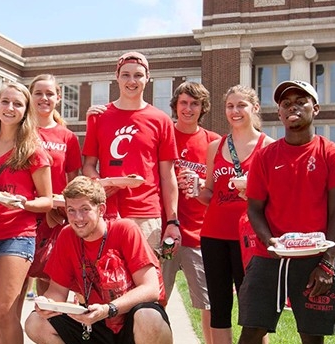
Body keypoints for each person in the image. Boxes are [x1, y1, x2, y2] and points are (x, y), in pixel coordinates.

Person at [239, 80, 335, 344]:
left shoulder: (333, 155)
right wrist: (270, 241)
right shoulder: (265, 157)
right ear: (279, 113)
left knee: (312, 337)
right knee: (251, 332)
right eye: (286, 103)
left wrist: (327, 264)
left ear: (315, 109)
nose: (293, 107)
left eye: (301, 102)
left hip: (316, 259)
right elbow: (254, 209)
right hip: (269, 257)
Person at [24, 176, 172, 344]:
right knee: (35, 322)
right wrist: (47, 304)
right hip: (95, 319)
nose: (77, 218)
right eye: (71, 210)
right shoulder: (67, 235)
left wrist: (109, 309)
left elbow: (151, 289)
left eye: (84, 209)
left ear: (101, 209)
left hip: (130, 318)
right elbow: (57, 291)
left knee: (148, 316)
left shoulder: (125, 229)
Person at [0, 81, 52, 344]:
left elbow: (47, 201)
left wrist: (22, 202)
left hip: (18, 236)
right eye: (5, 102)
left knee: (5, 311)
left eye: (17, 103)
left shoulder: (33, 150)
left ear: (26, 110)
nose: (10, 108)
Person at [81, 51, 180, 258]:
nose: (132, 81)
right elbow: (89, 165)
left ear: (147, 78)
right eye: (125, 75)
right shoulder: (99, 117)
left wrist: (172, 221)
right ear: (116, 77)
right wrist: (100, 183)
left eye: (138, 75)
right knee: (106, 278)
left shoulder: (161, 120)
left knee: (146, 280)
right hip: (107, 211)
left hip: (147, 214)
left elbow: (167, 175)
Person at [198, 85, 273, 344]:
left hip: (251, 238)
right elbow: (209, 193)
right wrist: (196, 190)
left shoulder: (269, 147)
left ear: (255, 108)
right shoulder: (215, 147)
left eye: (241, 105)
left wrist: (252, 193)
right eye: (230, 106)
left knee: (253, 306)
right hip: (214, 234)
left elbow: (275, 199)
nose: (235, 111)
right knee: (219, 305)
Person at [158, 81, 219, 344]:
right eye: (183, 102)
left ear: (203, 107)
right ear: (175, 105)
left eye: (194, 103)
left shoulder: (214, 142)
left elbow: (219, 191)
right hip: (164, 231)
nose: (188, 108)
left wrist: (200, 185)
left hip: (199, 233)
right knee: (157, 300)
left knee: (209, 304)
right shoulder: (163, 134)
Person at [28, 74, 82, 297]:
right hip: (25, 213)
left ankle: (47, 330)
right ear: (30, 96)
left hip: (55, 217)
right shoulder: (22, 132)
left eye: (49, 93)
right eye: (38, 93)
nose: (44, 98)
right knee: (18, 283)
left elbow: (74, 183)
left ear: (58, 97)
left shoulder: (67, 137)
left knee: (50, 280)